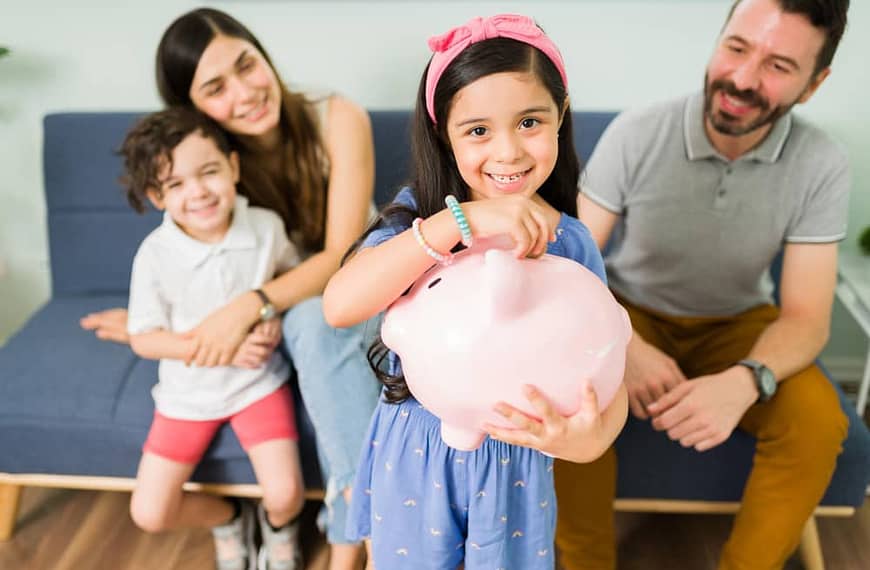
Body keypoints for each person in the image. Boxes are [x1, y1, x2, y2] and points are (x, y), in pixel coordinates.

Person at [322, 14, 629, 570]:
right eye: (478, 130)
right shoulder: (418, 220)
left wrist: (588, 440)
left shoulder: (571, 242)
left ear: (561, 116)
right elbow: (339, 306)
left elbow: (608, 368)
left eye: (530, 121)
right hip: (414, 454)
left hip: (517, 463)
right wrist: (462, 222)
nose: (508, 152)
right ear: (445, 135)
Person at [79, 8, 381, 568]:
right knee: (308, 325)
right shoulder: (208, 168)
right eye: (216, 88)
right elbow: (201, 270)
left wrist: (250, 306)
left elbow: (343, 256)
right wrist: (172, 331)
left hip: (355, 294)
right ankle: (361, 527)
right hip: (283, 319)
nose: (245, 93)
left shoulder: (337, 117)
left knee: (317, 322)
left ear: (263, 54)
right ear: (192, 110)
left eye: (247, 65)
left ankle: (350, 537)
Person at [555, 1, 852, 569]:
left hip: (738, 325)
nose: (742, 79)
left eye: (778, 66)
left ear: (813, 85)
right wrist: (627, 346)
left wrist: (747, 380)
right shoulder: (639, 131)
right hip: (628, 311)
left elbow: (807, 316)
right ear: (719, 41)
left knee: (817, 419)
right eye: (737, 48)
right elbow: (569, 272)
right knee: (572, 387)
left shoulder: (822, 163)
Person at [121, 108, 305, 569]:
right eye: (176, 184)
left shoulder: (264, 227)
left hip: (256, 386)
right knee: (149, 513)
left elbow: (290, 279)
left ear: (234, 168)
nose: (198, 191)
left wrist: (270, 317)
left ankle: (278, 531)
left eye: (209, 172)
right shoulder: (155, 255)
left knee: (286, 495)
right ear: (155, 196)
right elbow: (143, 338)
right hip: (187, 396)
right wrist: (217, 347)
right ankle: (230, 517)